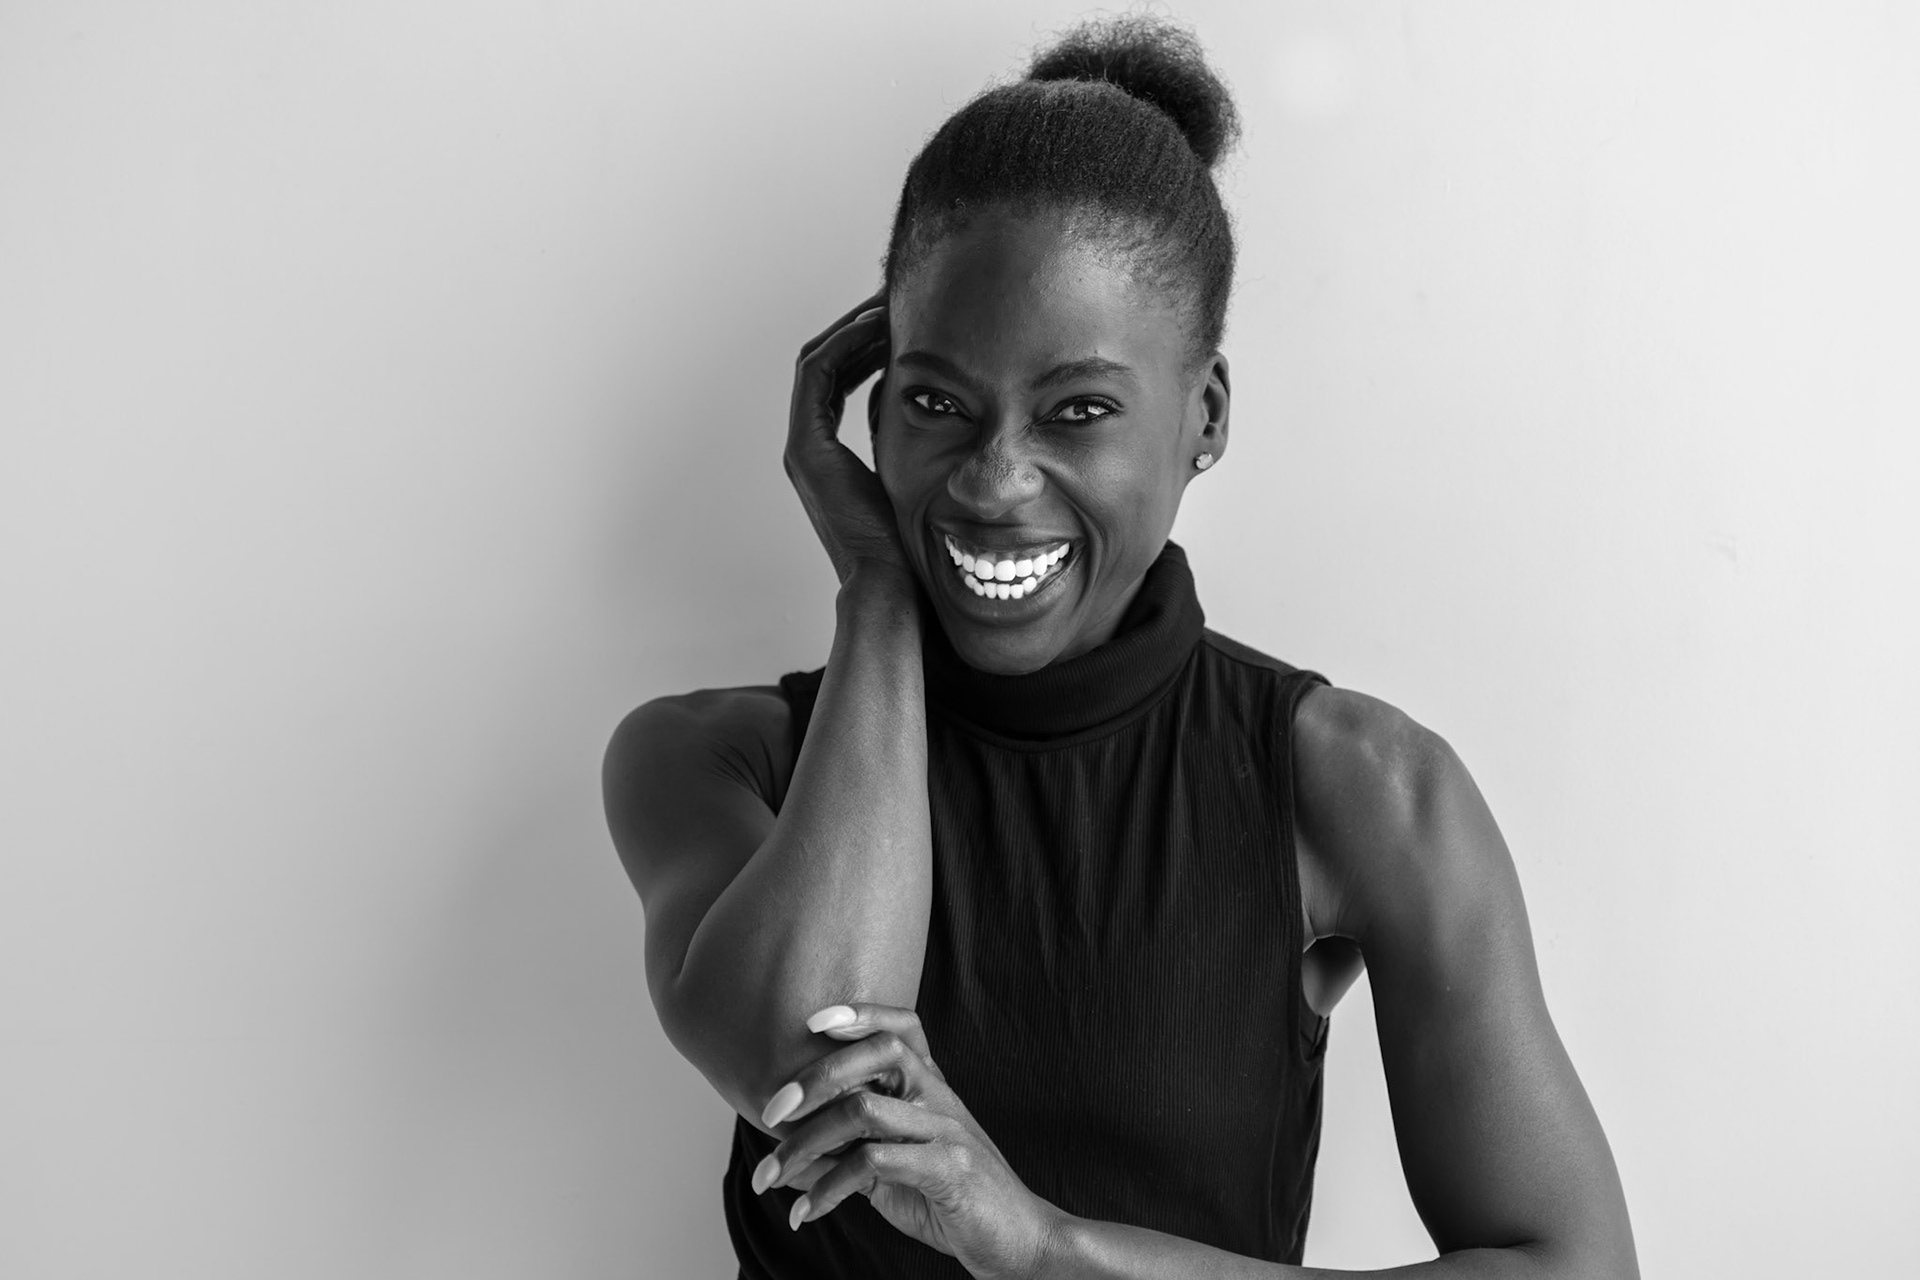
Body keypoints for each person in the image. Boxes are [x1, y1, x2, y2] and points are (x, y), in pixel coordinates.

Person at [603, 15, 1637, 1279]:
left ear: (1201, 417)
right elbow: (802, 1064)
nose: (992, 480)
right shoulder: (718, 761)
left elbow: (1572, 1267)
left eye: (1078, 409)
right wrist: (876, 588)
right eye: (934, 401)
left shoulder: (1364, 788)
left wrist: (1045, 1250)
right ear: (868, 414)